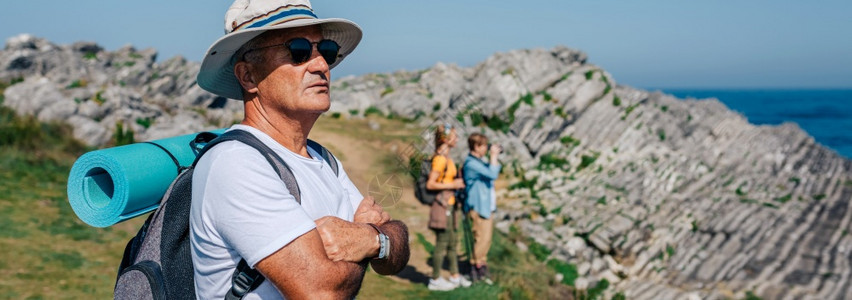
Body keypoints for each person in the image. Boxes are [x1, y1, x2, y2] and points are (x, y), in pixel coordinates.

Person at [190, 0, 409, 298]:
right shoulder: (235, 163)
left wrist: (370, 239)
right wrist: (370, 238)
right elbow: (321, 291)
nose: (321, 65)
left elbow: (394, 252)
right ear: (248, 76)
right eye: (298, 51)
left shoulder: (323, 160)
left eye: (326, 51)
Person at [425, 124, 472, 291]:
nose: (457, 139)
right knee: (442, 243)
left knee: (452, 242)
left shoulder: (447, 158)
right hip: (442, 206)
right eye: (454, 136)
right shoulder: (440, 159)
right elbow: (430, 184)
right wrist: (453, 183)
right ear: (445, 139)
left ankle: (454, 275)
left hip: (450, 206)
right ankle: (435, 279)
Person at [462, 133, 502, 284]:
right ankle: (474, 269)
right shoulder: (471, 164)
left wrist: (492, 157)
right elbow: (492, 173)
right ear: (476, 146)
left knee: (486, 239)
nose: (486, 148)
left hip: (486, 206)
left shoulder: (478, 162)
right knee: (481, 239)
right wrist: (493, 156)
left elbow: (493, 170)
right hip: (478, 207)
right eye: (484, 146)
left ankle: (481, 267)